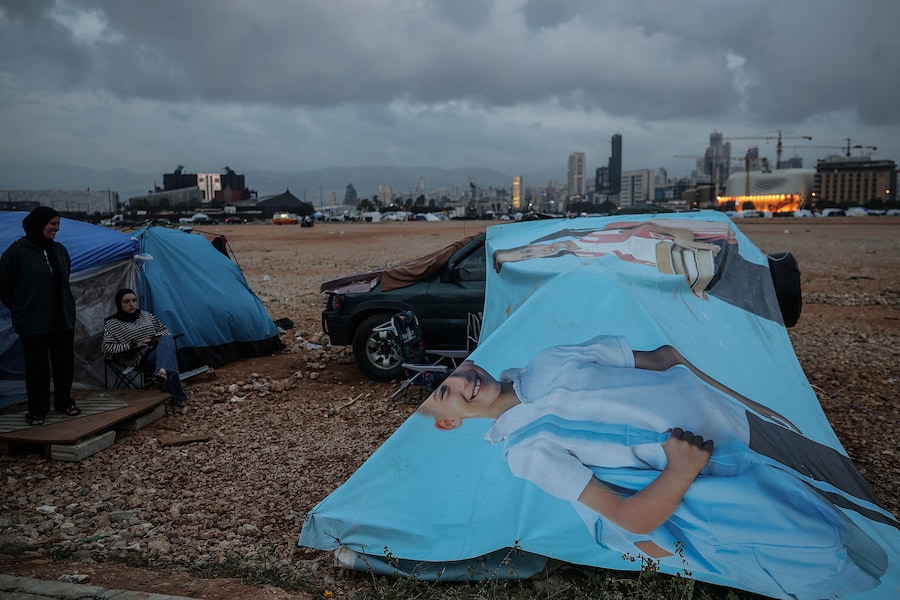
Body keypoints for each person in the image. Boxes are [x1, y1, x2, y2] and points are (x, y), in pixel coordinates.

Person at [418, 335, 890, 599]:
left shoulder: (550, 360)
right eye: (445, 394)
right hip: (721, 470)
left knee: (839, 484)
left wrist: (750, 393)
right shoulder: (526, 449)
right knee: (827, 535)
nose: (460, 384)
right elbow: (627, 517)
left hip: (747, 420)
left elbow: (667, 358)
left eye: (453, 372)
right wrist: (680, 471)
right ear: (447, 422)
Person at [0, 206, 81, 425]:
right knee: (37, 368)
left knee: (64, 364)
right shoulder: (16, 253)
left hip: (62, 318)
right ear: (37, 224)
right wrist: (21, 308)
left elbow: (65, 278)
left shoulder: (59, 250)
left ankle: (64, 402)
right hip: (33, 321)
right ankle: (37, 409)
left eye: (58, 224)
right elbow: (4, 287)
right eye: (52, 224)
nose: (56, 228)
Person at [102, 288, 188, 408]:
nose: (131, 304)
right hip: (135, 356)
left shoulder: (145, 315)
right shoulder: (113, 324)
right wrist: (135, 344)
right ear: (119, 304)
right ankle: (177, 394)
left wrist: (154, 338)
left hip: (154, 348)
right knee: (169, 356)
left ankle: (162, 371)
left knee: (167, 338)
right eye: (126, 302)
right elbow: (107, 348)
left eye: (133, 300)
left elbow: (164, 330)